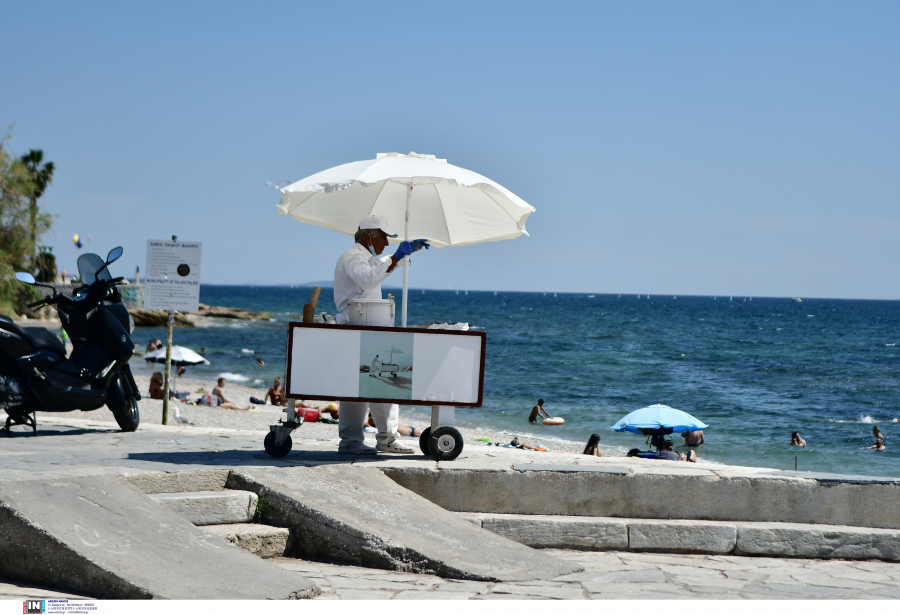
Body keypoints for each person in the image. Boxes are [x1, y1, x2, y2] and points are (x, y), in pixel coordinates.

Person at [333, 215, 428, 455]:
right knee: (375, 382)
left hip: (365, 328)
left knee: (373, 382)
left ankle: (374, 438)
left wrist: (405, 254)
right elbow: (368, 279)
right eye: (384, 237)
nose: (386, 243)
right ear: (369, 236)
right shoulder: (353, 257)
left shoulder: (364, 258)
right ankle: (360, 440)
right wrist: (397, 255)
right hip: (356, 327)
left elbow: (380, 267)